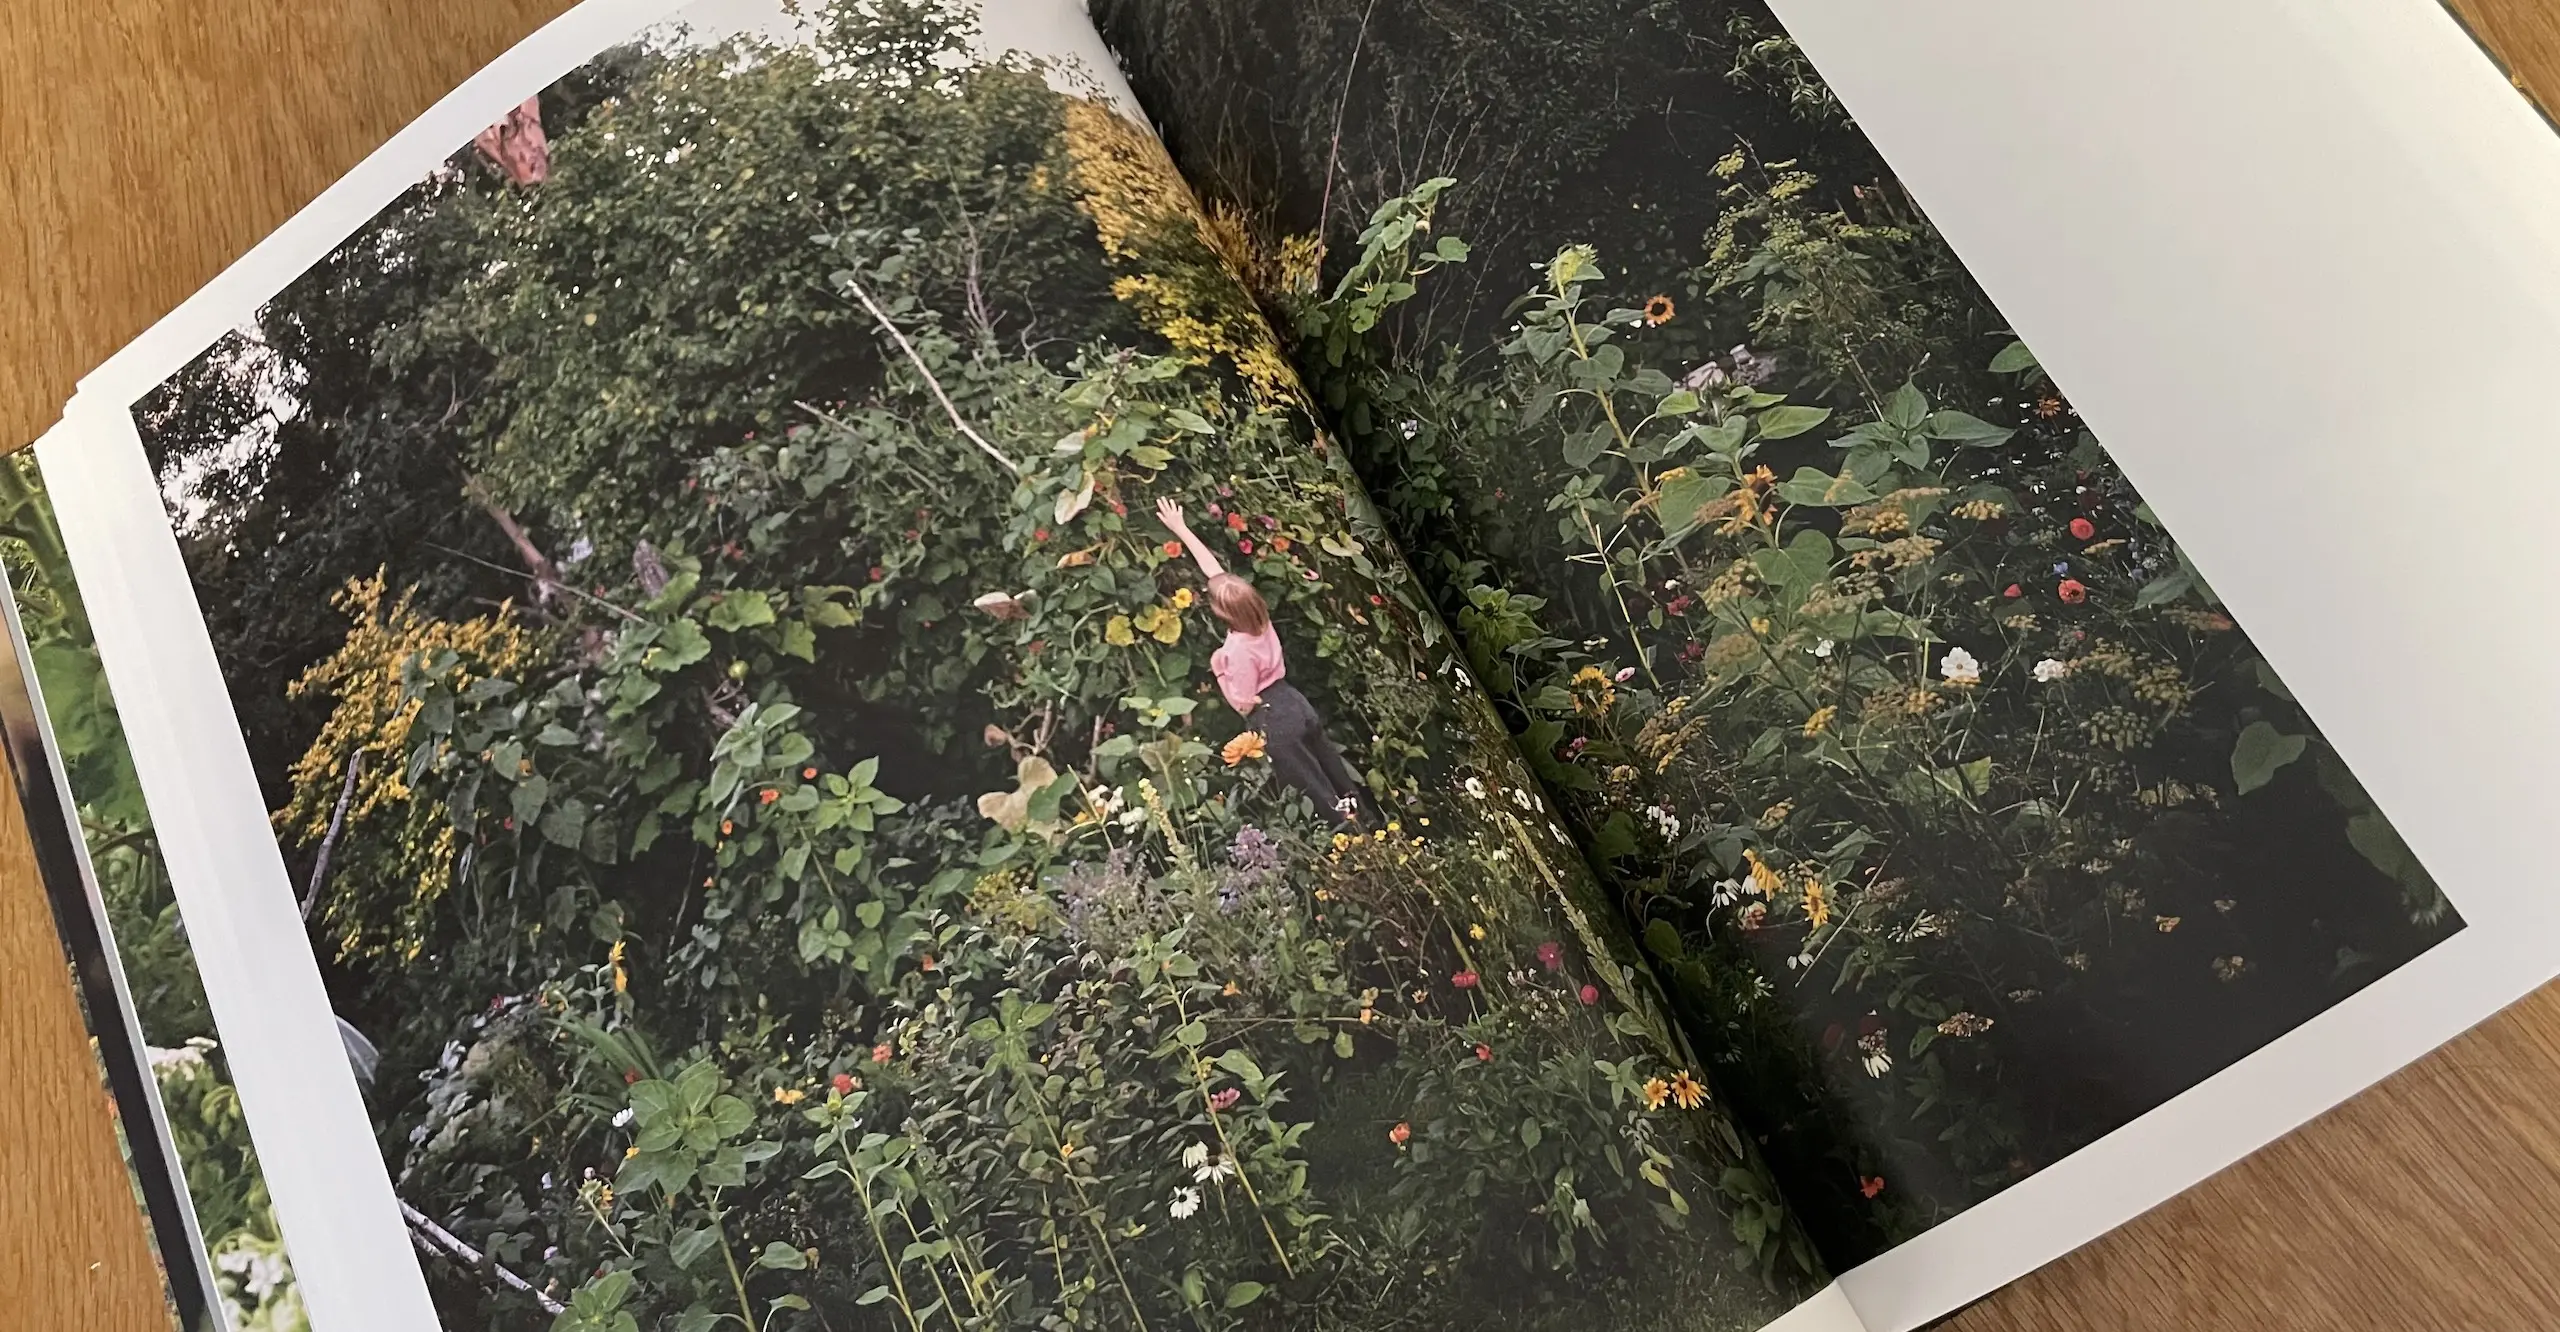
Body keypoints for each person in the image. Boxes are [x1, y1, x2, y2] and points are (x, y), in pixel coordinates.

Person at [1156, 497, 1366, 825]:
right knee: (1334, 772)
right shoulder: (1259, 618)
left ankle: (1356, 842)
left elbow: (1243, 703)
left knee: (1317, 791)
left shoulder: (1236, 651)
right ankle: (1371, 824)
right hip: (1295, 702)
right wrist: (1180, 528)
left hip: (1272, 715)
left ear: (1224, 613)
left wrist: (1219, 669)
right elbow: (1216, 574)